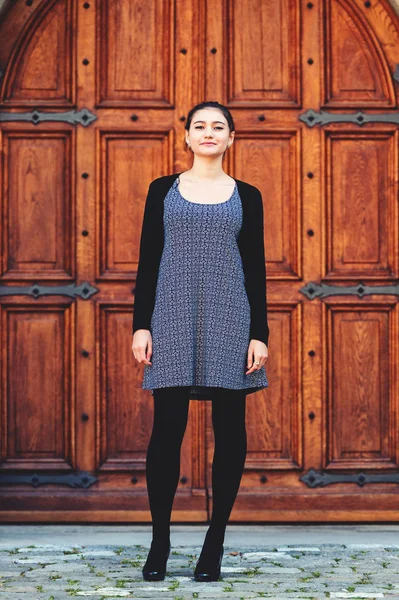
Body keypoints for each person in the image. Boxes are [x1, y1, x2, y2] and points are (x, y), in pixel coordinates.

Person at [131, 100, 270, 582]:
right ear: (186, 137)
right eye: (199, 126)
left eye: (218, 127)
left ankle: (213, 546)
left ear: (231, 138)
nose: (208, 133)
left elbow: (256, 269)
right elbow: (148, 260)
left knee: (231, 430)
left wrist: (260, 335)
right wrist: (141, 325)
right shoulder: (162, 191)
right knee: (167, 429)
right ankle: (160, 543)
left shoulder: (247, 195)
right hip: (170, 317)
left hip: (232, 318)